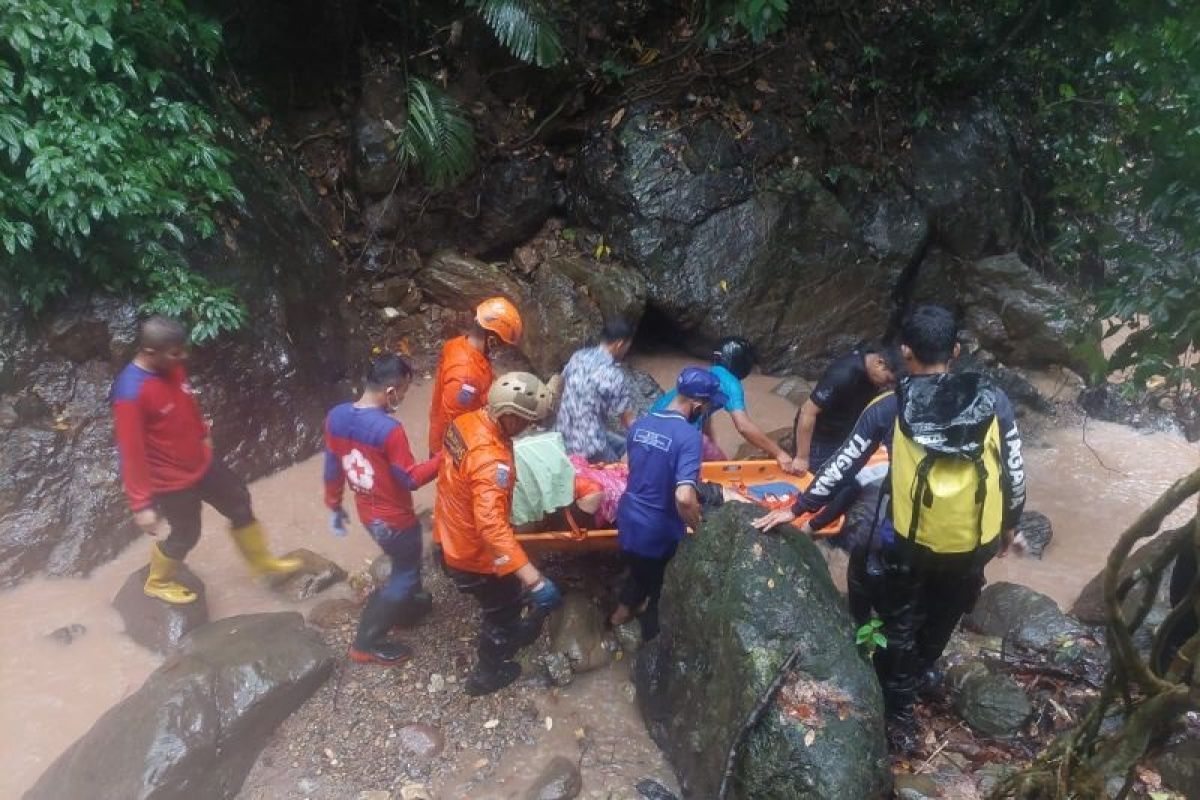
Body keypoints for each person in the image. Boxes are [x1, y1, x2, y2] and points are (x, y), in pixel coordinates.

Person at [751, 305, 1027, 745]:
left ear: (905, 352)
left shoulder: (889, 405)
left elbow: (844, 462)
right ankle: (920, 673)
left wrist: (799, 507)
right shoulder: (993, 400)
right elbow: (1013, 468)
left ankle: (897, 711)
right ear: (955, 351)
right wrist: (1009, 525)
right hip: (973, 539)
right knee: (942, 614)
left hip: (907, 537)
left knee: (896, 620)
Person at [112, 316, 301, 605]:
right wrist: (141, 505)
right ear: (150, 352)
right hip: (170, 479)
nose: (183, 357)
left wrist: (203, 434)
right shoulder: (130, 393)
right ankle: (157, 581)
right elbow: (131, 452)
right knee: (187, 534)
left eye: (181, 350)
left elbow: (186, 402)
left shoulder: (171, 366)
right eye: (176, 352)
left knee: (239, 500)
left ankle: (261, 563)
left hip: (200, 462)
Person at [434, 371, 564, 695]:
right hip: (472, 554)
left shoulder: (466, 422)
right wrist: (535, 580)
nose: (529, 428)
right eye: (526, 422)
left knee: (505, 592)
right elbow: (491, 527)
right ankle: (486, 674)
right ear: (508, 416)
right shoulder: (492, 463)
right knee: (502, 611)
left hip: (448, 530)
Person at [323, 354, 440, 665]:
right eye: (403, 391)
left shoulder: (336, 417)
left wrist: (334, 504)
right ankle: (365, 642)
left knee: (407, 563)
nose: (402, 397)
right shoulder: (389, 430)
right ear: (391, 391)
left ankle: (405, 610)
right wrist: (447, 458)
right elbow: (410, 478)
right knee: (404, 572)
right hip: (394, 520)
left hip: (368, 514)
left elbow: (333, 466)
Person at [610, 367, 724, 640]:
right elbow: (684, 496)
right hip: (657, 530)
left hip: (628, 521)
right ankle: (652, 647)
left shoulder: (639, 425)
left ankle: (617, 618)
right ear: (698, 403)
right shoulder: (688, 437)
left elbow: (630, 466)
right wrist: (697, 526)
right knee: (661, 589)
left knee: (639, 572)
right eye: (707, 405)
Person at [652, 336, 793, 472]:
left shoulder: (706, 373)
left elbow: (703, 412)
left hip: (652, 423)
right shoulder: (730, 383)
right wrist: (779, 453)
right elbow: (743, 426)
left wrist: (710, 440)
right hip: (678, 431)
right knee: (723, 470)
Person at [428, 296, 523, 457]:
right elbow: (457, 425)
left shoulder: (459, 344)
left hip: (445, 433)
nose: (501, 350)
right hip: (452, 449)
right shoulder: (465, 377)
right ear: (492, 340)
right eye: (502, 345)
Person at [791, 344, 898, 475]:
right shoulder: (842, 374)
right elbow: (807, 412)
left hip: (845, 431)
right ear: (879, 363)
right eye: (887, 380)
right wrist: (802, 457)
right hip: (820, 438)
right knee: (820, 483)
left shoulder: (871, 357)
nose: (887, 385)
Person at [554, 319, 637, 462]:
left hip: (560, 436)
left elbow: (560, 385)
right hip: (590, 448)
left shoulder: (578, 356)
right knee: (627, 462)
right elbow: (628, 421)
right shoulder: (613, 375)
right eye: (628, 346)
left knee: (622, 444)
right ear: (620, 345)